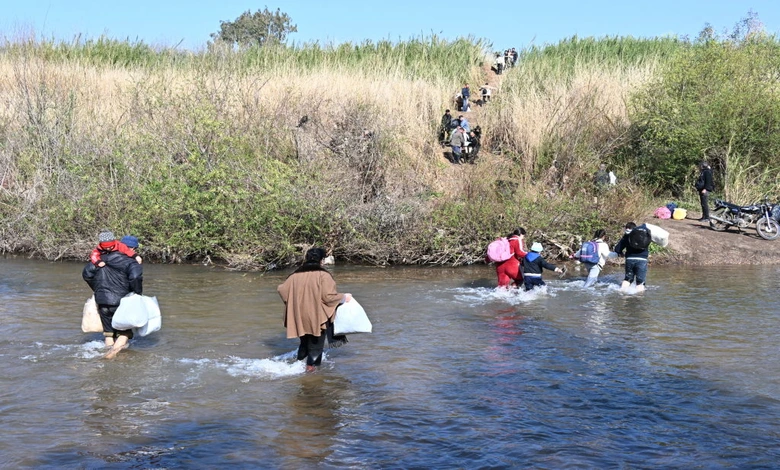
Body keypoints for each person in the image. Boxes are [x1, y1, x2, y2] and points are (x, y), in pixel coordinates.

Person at [277, 248, 352, 372]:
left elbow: (281, 289)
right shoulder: (324, 275)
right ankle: (311, 374)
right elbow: (328, 297)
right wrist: (344, 297)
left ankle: (297, 368)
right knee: (316, 346)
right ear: (321, 260)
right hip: (316, 317)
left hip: (298, 316)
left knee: (304, 343)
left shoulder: (294, 275)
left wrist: (294, 304)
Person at [82, 229, 144, 359]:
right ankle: (111, 354)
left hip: (102, 301)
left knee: (109, 333)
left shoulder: (100, 259)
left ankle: (107, 351)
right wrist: (137, 293)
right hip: (121, 301)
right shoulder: (131, 262)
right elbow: (135, 277)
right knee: (124, 332)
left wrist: (98, 289)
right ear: (132, 248)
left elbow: (86, 274)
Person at [613, 222, 649, 293]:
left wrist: (621, 253)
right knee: (640, 282)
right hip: (642, 260)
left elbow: (617, 249)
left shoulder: (626, 236)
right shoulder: (643, 235)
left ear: (626, 228)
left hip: (629, 259)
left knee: (628, 279)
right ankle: (639, 300)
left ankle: (623, 295)